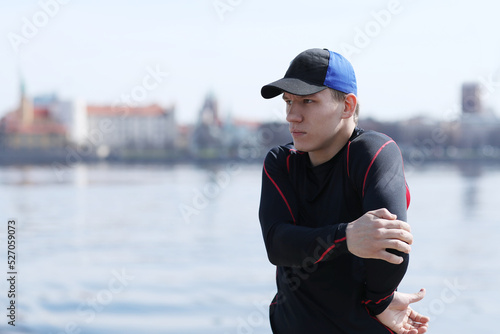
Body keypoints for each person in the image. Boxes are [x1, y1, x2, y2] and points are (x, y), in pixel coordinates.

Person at [258, 48, 430, 334]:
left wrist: (380, 302)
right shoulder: (281, 162)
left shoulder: (373, 152)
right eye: (288, 101)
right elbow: (278, 244)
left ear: (347, 106)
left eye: (307, 101)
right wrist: (347, 237)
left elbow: (392, 245)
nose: (292, 116)